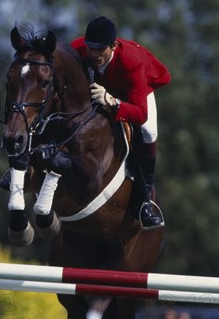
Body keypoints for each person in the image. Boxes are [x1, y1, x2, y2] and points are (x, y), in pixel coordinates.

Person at [71, 16, 171, 227]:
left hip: (134, 91)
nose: (94, 55)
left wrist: (111, 101)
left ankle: (145, 201)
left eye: (100, 50)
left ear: (113, 46)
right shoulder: (78, 49)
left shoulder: (132, 61)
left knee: (149, 131)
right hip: (103, 87)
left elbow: (139, 113)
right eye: (91, 49)